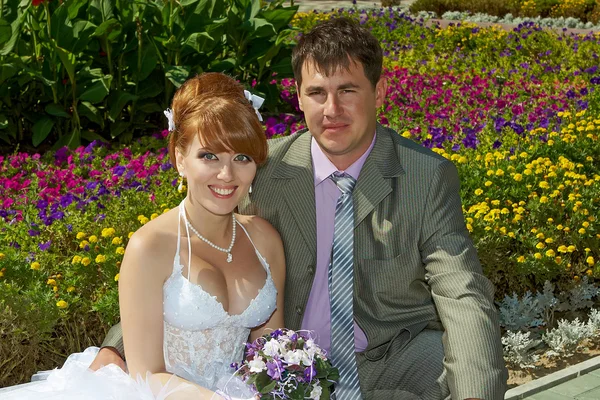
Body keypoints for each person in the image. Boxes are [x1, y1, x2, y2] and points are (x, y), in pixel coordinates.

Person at [97, 17, 508, 399]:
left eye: (347, 90)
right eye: (317, 93)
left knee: (450, 365)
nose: (332, 110)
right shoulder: (262, 168)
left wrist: (474, 394)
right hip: (286, 363)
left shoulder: (425, 177)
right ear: (298, 98)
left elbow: (463, 293)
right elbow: (190, 242)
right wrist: (119, 345)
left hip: (387, 358)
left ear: (378, 91)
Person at [4, 72, 286, 400]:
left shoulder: (265, 239)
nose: (227, 174)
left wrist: (286, 378)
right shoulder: (151, 246)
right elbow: (147, 373)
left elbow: (271, 343)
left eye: (242, 158)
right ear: (180, 158)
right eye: (209, 156)